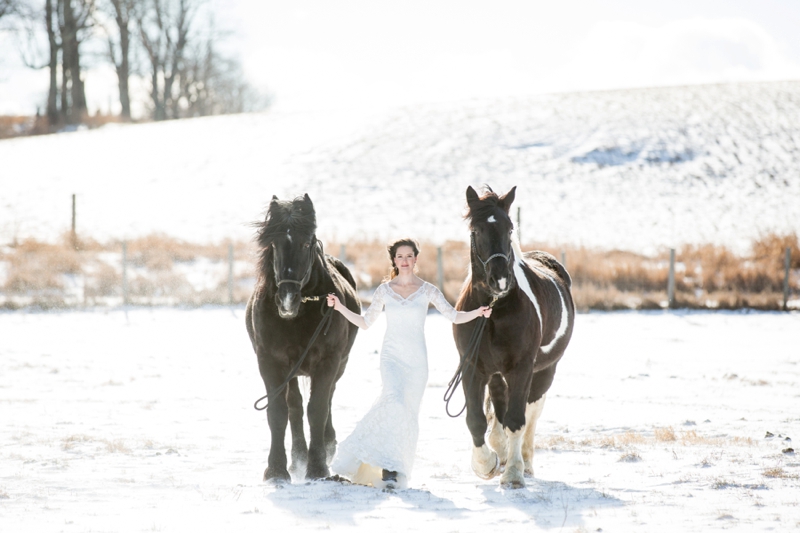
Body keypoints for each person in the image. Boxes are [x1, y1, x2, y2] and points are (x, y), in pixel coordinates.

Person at [326, 238, 491, 489]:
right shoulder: (384, 290)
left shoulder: (427, 290)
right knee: (394, 400)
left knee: (407, 414)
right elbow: (365, 322)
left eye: (409, 256)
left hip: (417, 362)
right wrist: (339, 307)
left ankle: (395, 465)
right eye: (400, 256)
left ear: (415, 259)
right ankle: (387, 469)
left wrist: (478, 312)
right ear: (394, 260)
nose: (404, 261)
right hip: (391, 357)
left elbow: (454, 316)